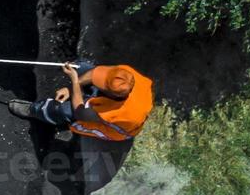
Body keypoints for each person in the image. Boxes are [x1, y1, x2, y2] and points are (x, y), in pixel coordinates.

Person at [9, 60, 154, 142]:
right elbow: (94, 72)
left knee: (63, 110)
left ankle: (36, 111)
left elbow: (80, 113)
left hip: (113, 129)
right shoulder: (125, 76)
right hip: (110, 101)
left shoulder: (116, 112)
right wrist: (71, 89)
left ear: (111, 94)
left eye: (102, 83)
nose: (98, 80)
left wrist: (75, 83)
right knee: (80, 67)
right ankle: (81, 96)